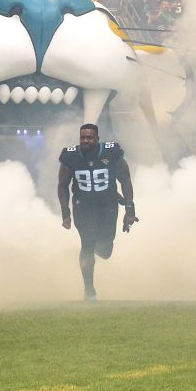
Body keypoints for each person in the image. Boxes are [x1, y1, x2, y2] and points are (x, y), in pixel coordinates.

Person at [57, 124, 138, 301]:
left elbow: (125, 181)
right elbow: (63, 186)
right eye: (82, 137)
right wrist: (65, 212)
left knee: (105, 250)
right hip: (83, 206)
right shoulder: (70, 156)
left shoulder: (111, 153)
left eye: (89, 137)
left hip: (107, 206)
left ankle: (91, 252)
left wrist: (130, 209)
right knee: (87, 243)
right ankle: (89, 290)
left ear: (97, 139)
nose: (85, 141)